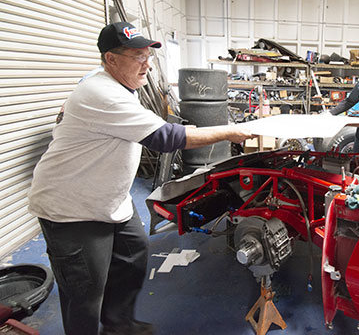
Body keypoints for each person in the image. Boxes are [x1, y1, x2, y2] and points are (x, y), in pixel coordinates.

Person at [27, 22, 253, 335]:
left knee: (132, 254)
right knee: (85, 290)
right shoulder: (103, 93)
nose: (147, 64)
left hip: (110, 198)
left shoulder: (115, 85)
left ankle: (118, 325)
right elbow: (165, 138)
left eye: (148, 56)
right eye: (138, 57)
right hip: (71, 206)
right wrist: (230, 131)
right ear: (111, 59)